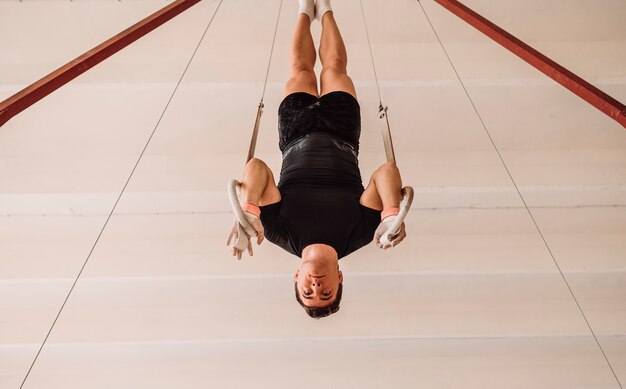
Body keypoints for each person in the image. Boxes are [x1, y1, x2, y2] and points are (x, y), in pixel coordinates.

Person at [226, 0, 406, 319]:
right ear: (340, 279)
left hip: (295, 131)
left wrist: (248, 209)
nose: (316, 286)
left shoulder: (277, 231)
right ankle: (324, 8)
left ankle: (303, 8)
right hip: (342, 131)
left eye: (308, 292)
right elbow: (385, 172)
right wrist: (391, 214)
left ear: (296, 278)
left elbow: (256, 169)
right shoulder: (362, 233)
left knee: (301, 69)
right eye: (326, 292)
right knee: (334, 65)